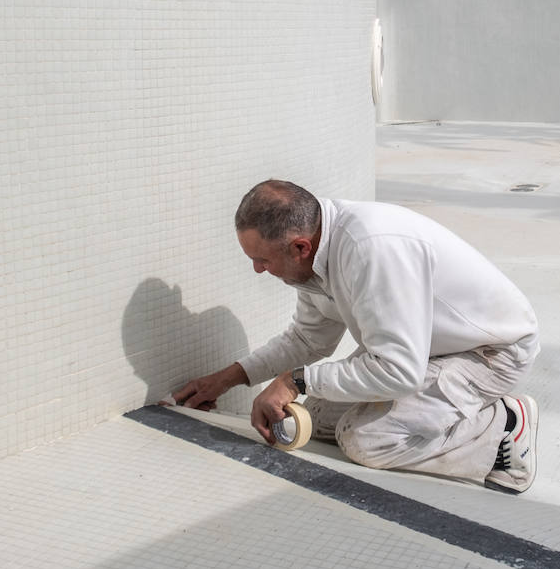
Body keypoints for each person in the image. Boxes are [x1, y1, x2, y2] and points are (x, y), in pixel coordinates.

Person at [172, 179, 541, 493]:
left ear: (300, 247)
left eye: (263, 260)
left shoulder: (371, 250)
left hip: (489, 353)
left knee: (365, 440)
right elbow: (308, 340)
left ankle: (502, 425)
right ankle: (444, 411)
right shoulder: (314, 252)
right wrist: (227, 379)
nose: (257, 269)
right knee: (317, 416)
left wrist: (294, 381)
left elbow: (398, 371)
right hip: (426, 350)